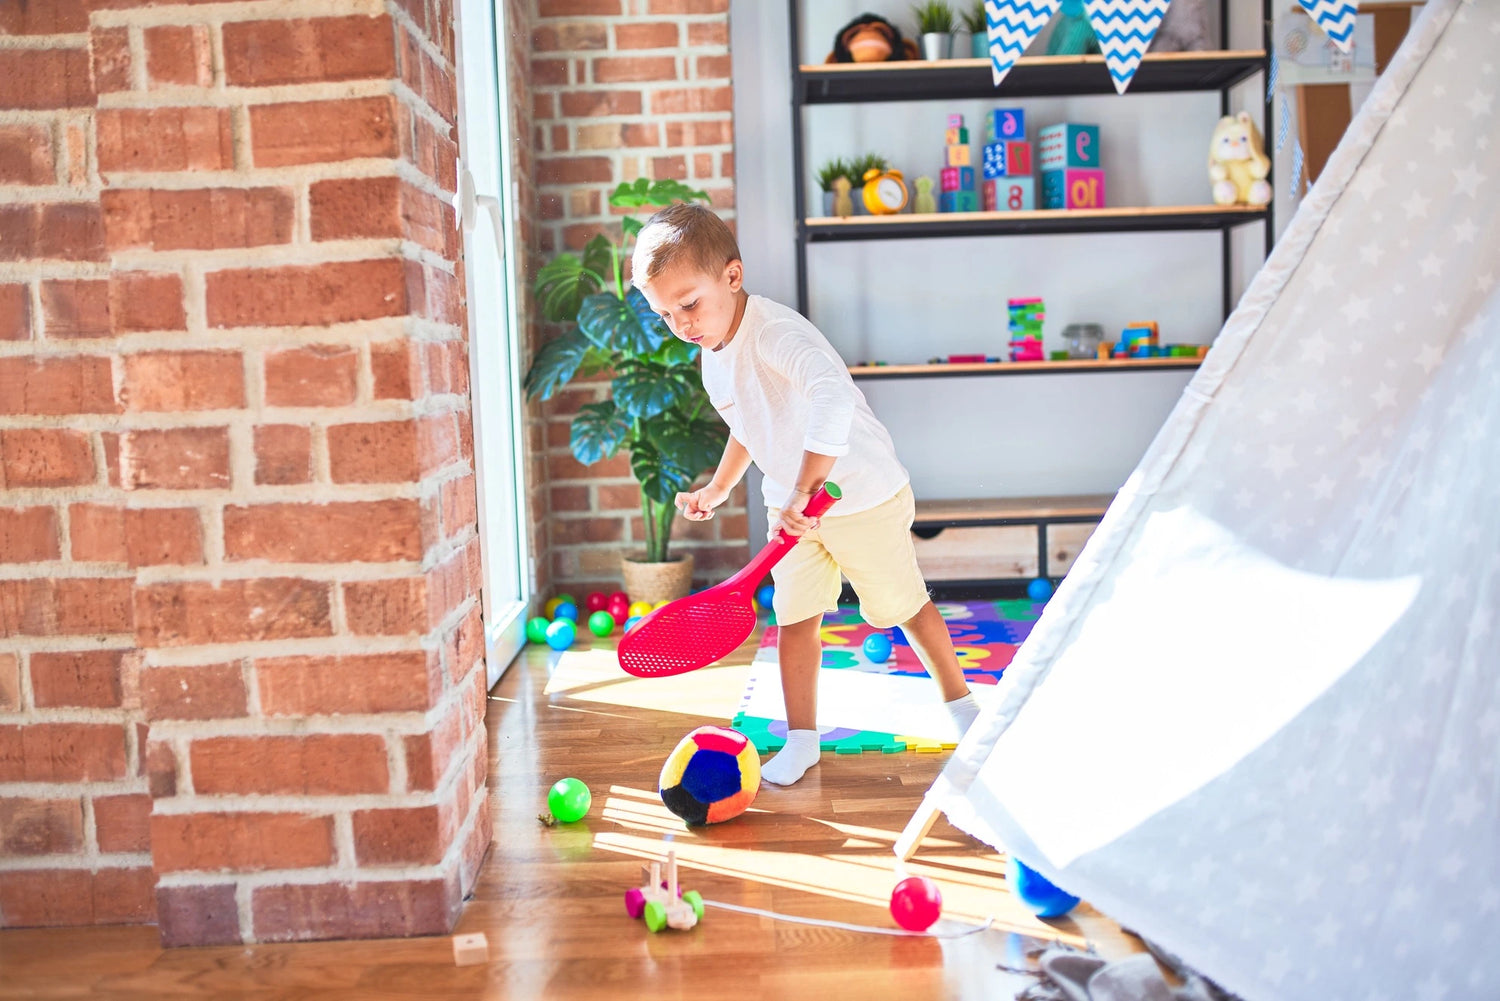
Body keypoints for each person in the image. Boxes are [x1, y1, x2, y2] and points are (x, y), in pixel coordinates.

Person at [630, 202, 979, 787]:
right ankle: (801, 739)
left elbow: (832, 398)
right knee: (795, 619)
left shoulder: (776, 334)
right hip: (792, 507)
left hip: (859, 495)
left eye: (689, 304)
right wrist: (720, 486)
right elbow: (751, 418)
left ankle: (965, 713)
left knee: (903, 610)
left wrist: (807, 487)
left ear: (732, 277)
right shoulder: (712, 352)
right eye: (666, 315)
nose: (683, 324)